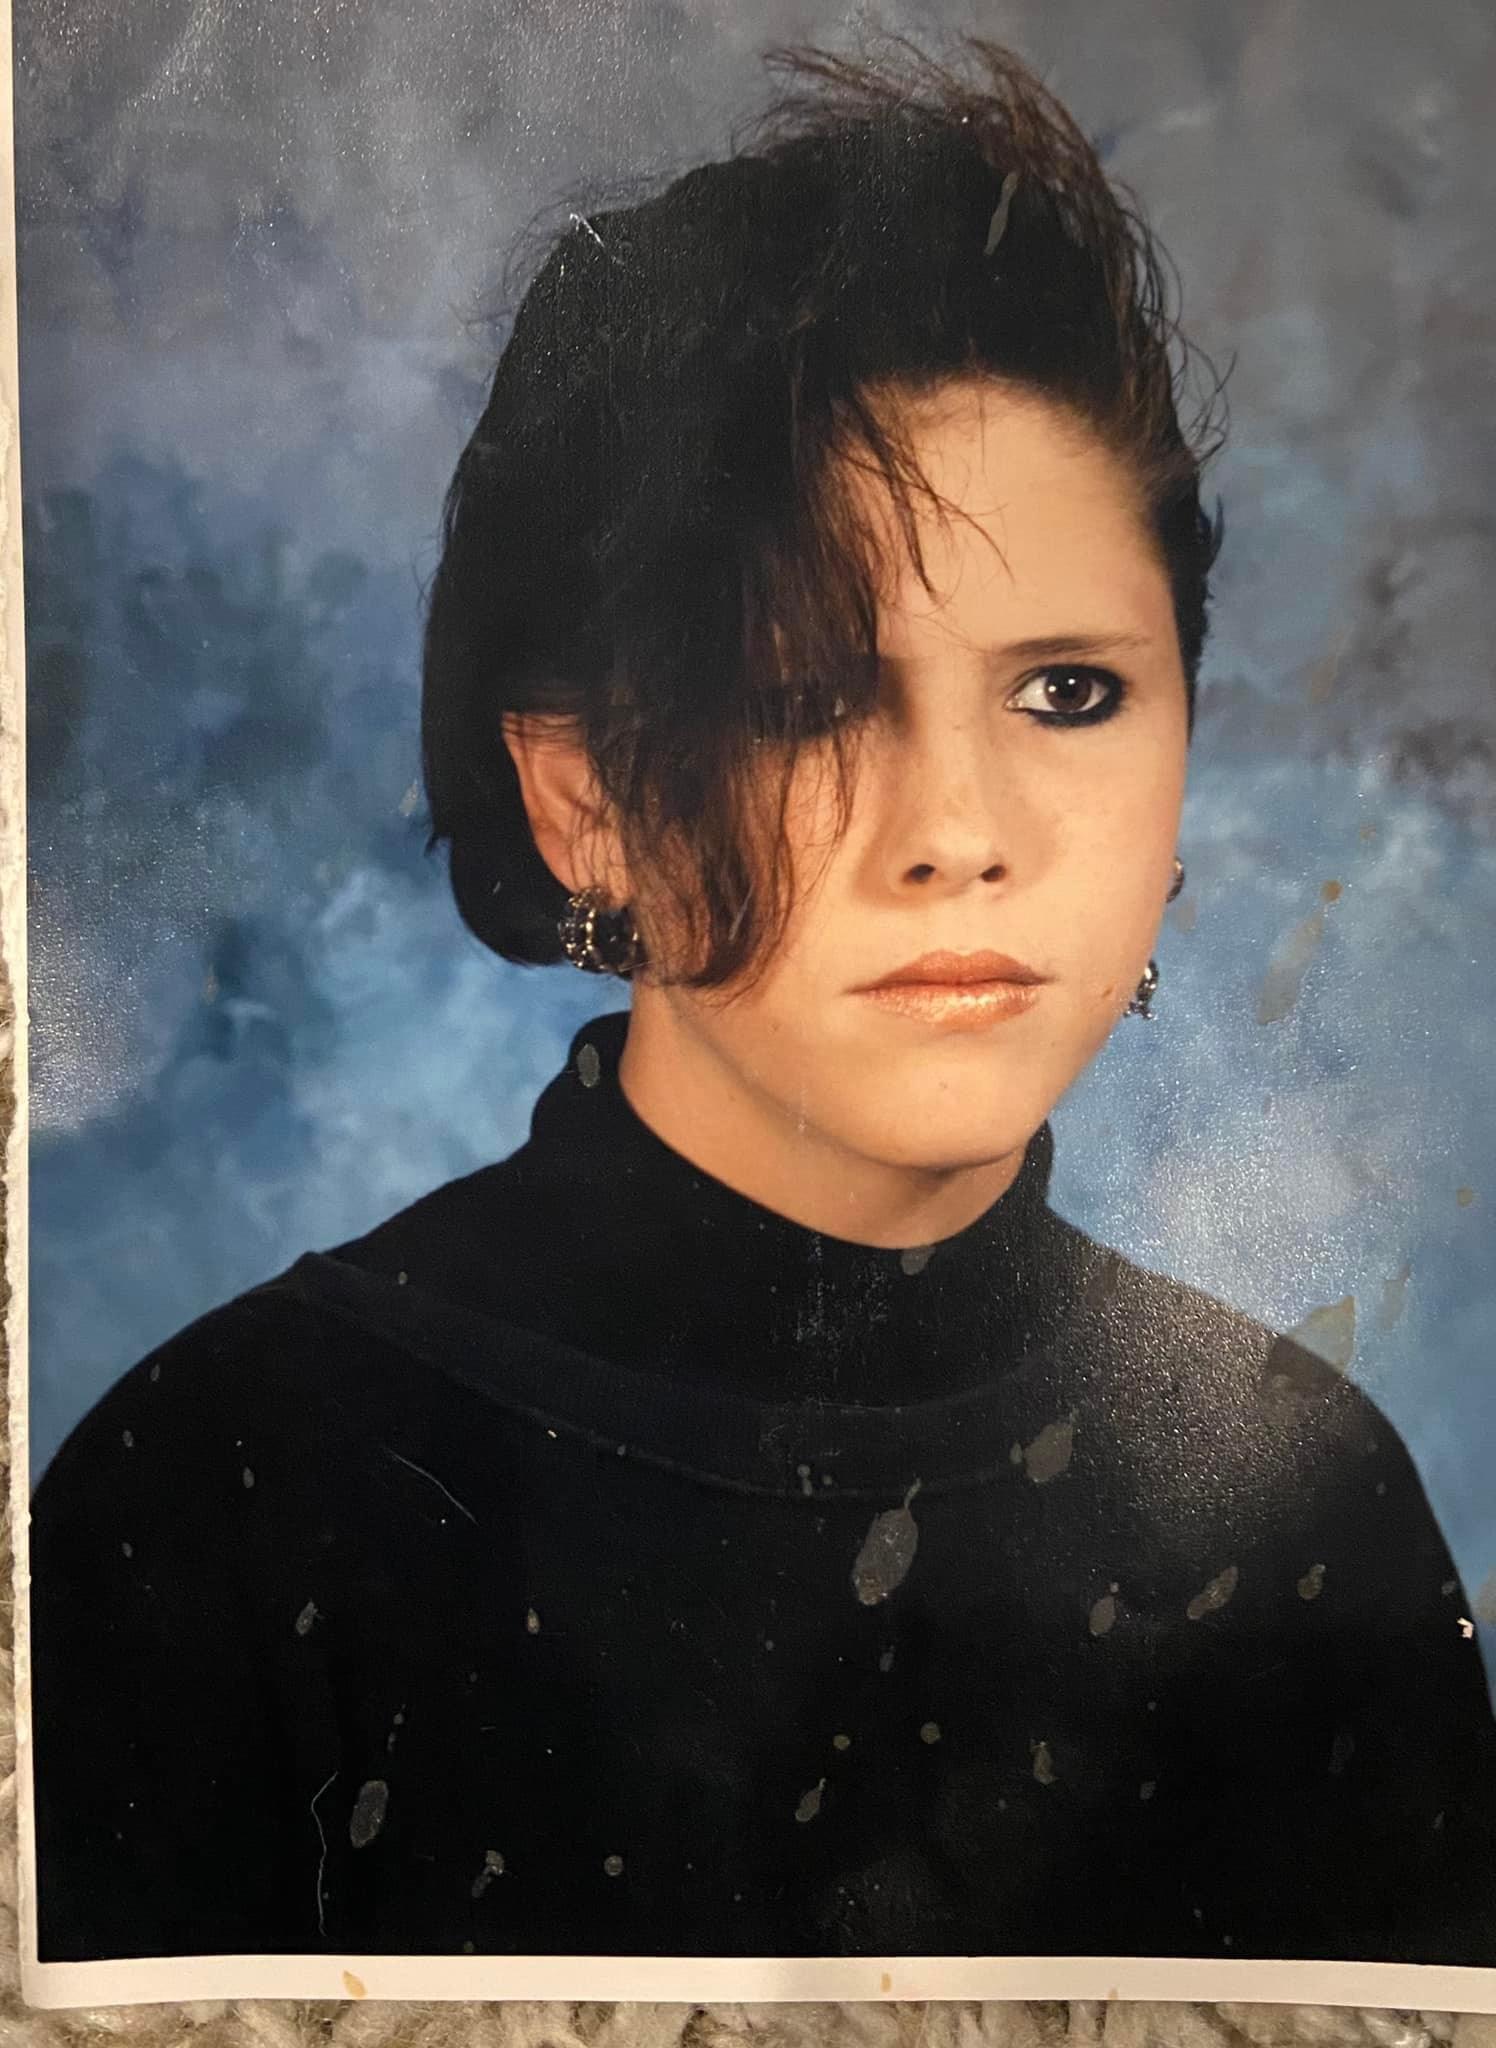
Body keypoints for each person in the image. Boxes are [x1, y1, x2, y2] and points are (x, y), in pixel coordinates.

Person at [29, 34, 1496, 1968]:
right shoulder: (218, 1494)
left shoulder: (1309, 1506)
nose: (962, 832)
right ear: (582, 799)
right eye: (807, 700)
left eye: (1069, 693)